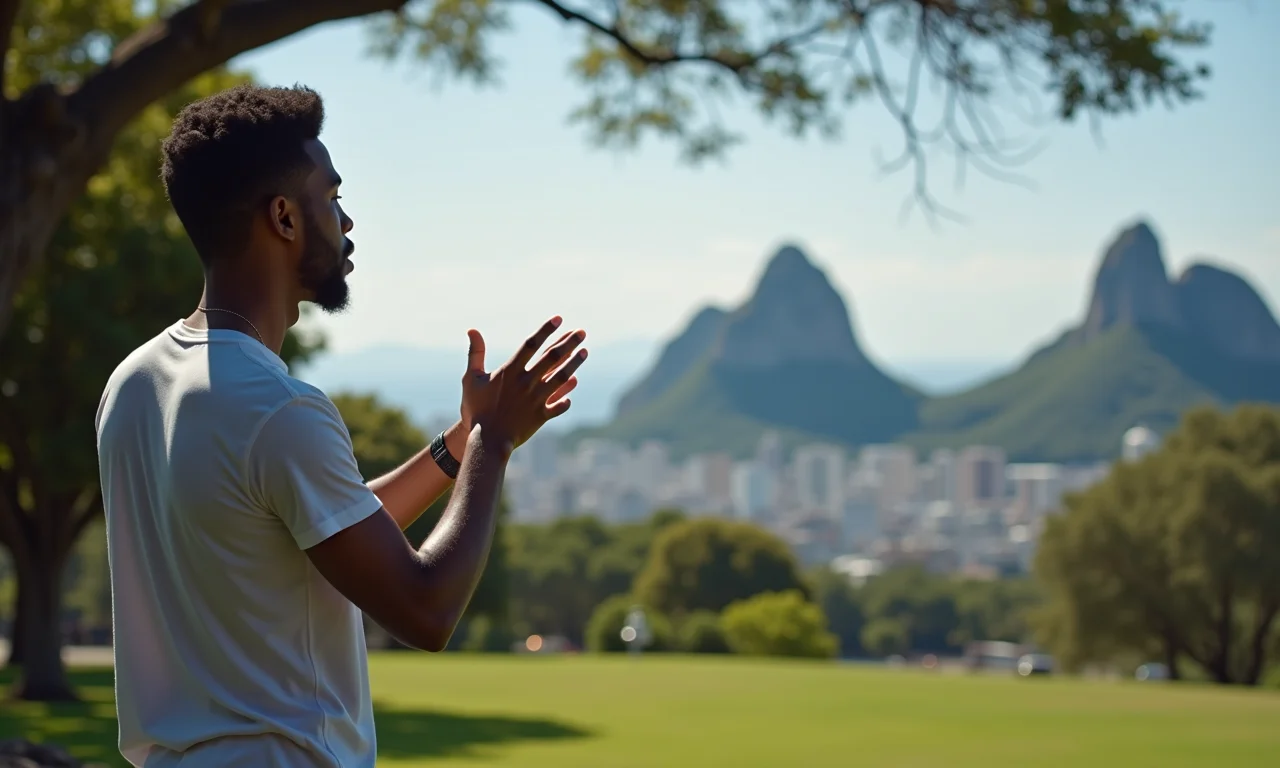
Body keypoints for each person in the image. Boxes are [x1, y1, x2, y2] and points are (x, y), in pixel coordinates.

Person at [94, 83, 587, 767]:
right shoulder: (278, 408)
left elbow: (321, 529)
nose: (347, 221)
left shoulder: (134, 383)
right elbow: (425, 608)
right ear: (284, 219)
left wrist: (459, 441)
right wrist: (495, 444)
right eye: (332, 197)